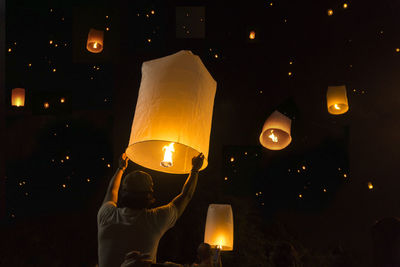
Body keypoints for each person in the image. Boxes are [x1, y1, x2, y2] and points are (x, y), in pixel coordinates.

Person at [98, 152, 205, 267]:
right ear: (150, 194)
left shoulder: (106, 214)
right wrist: (194, 170)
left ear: (123, 192)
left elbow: (112, 191)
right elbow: (186, 196)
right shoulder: (155, 220)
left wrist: (121, 168)